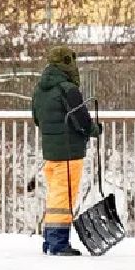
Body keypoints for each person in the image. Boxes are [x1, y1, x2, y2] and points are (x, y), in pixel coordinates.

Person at [30, 46, 102, 256]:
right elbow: (81, 120)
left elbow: (37, 118)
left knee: (55, 196)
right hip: (69, 152)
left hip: (50, 153)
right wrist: (94, 129)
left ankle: (49, 239)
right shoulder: (67, 89)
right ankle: (58, 243)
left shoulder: (40, 90)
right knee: (64, 199)